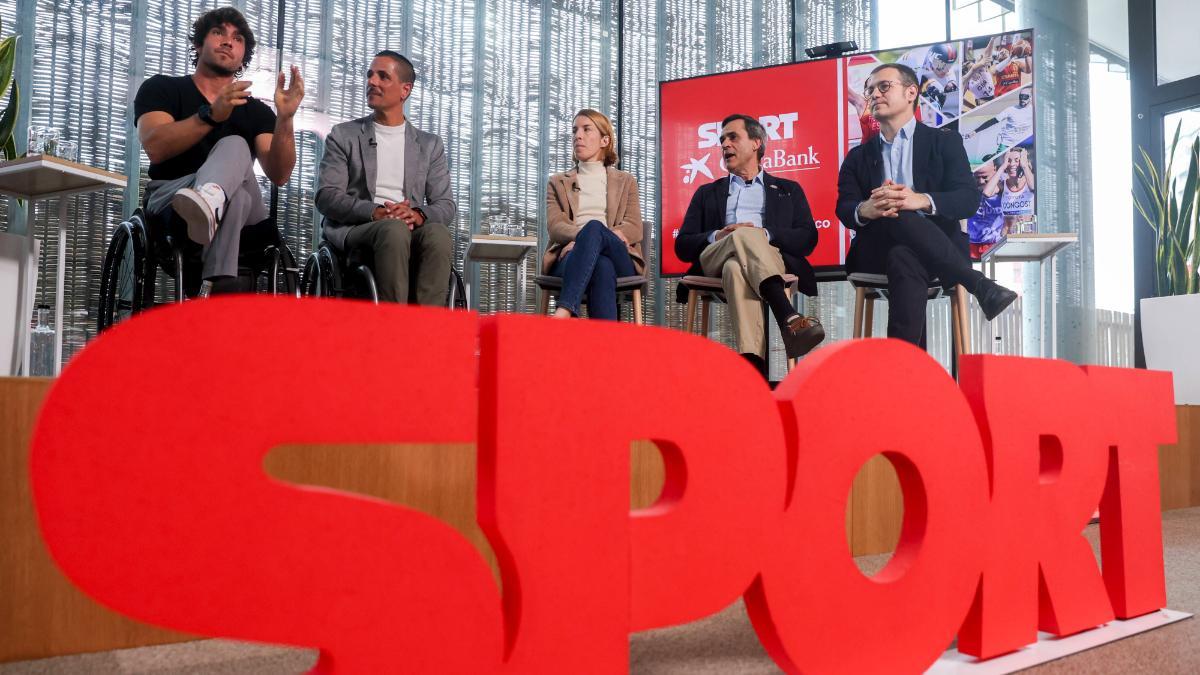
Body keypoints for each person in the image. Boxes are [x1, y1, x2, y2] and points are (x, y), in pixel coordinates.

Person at [836, 63, 1017, 346]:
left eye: (884, 87)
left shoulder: (944, 142)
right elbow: (844, 207)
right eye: (869, 90)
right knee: (894, 214)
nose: (874, 95)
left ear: (911, 93)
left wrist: (919, 200)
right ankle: (977, 284)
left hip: (934, 251)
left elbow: (968, 200)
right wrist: (865, 209)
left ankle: (907, 375)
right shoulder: (857, 157)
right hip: (874, 251)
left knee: (903, 255)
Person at [134, 6, 304, 295]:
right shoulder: (161, 88)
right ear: (199, 44)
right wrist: (211, 114)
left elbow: (280, 174)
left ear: (243, 55)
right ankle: (216, 290)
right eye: (218, 33)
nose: (228, 41)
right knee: (235, 193)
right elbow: (156, 146)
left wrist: (285, 117)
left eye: (237, 38)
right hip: (173, 194)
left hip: (241, 214)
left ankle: (210, 202)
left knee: (235, 158)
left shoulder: (257, 111)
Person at [675, 114, 824, 375]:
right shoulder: (706, 193)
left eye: (733, 137)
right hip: (714, 260)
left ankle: (751, 370)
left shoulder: (789, 190)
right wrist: (720, 236)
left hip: (767, 259)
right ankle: (788, 316)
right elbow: (683, 246)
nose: (724, 144)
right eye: (721, 139)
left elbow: (808, 239)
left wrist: (764, 235)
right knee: (740, 236)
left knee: (736, 266)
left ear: (756, 143)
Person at [316, 50, 456, 305]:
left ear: (405, 90)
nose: (372, 81)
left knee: (438, 235)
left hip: (409, 229)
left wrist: (418, 214)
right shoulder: (344, 135)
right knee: (393, 229)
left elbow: (445, 205)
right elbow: (327, 197)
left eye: (383, 76)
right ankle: (395, 329)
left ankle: (431, 332)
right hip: (359, 228)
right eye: (370, 75)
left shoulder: (429, 145)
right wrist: (376, 212)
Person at [543, 109, 643, 320]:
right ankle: (607, 349)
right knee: (601, 267)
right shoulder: (557, 182)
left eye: (586, 129)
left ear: (604, 140)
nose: (577, 136)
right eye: (574, 131)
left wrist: (587, 237)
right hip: (569, 256)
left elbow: (634, 227)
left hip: (619, 254)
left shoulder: (626, 181)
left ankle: (565, 310)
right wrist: (585, 241)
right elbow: (555, 226)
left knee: (594, 228)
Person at [966, 86, 1034, 161]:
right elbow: (993, 121)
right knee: (997, 163)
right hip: (1006, 143)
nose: (1022, 99)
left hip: (1023, 144)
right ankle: (995, 156)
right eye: (1020, 96)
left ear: (1030, 97)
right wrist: (975, 131)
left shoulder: (1034, 110)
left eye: (1025, 97)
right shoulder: (1011, 110)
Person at [981, 147, 1036, 217]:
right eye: (1008, 161)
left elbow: (1033, 188)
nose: (1012, 164)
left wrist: (1025, 166)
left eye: (1017, 160)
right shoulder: (1003, 185)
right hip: (1010, 227)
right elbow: (986, 193)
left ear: (1024, 161)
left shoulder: (1032, 180)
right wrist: (1002, 167)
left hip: (1030, 227)